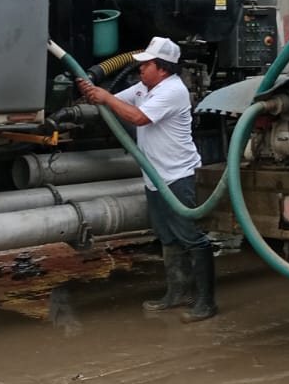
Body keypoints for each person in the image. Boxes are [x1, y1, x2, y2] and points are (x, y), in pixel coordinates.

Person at [75, 36, 216, 322]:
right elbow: (116, 103)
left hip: (178, 177)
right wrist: (92, 92)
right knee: (167, 236)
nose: (140, 69)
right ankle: (177, 293)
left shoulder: (173, 91)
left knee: (191, 237)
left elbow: (138, 118)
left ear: (162, 69)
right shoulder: (145, 87)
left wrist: (105, 96)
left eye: (146, 64)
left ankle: (205, 302)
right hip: (155, 178)